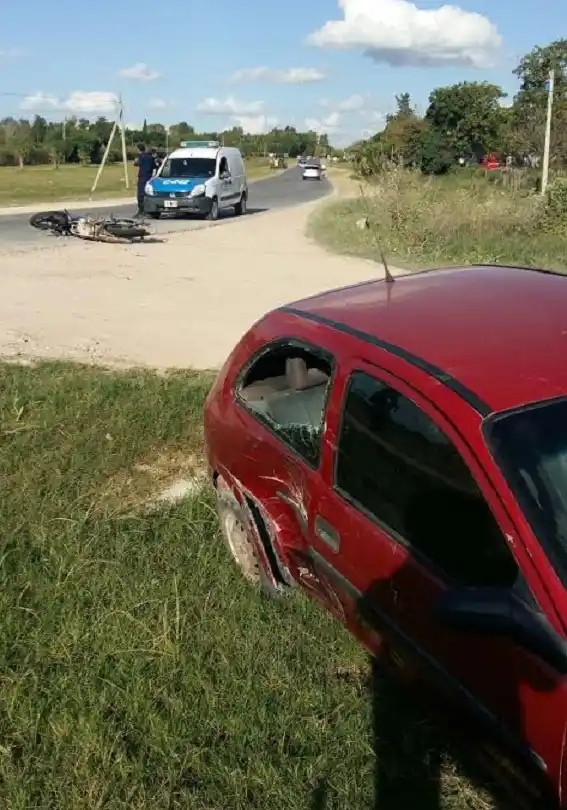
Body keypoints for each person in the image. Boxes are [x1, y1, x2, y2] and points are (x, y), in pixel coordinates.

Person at [134, 143, 157, 216]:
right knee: (147, 194)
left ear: (138, 149)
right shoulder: (151, 157)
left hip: (142, 178)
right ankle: (148, 211)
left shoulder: (140, 156)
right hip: (149, 178)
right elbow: (155, 167)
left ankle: (141, 211)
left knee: (140, 195)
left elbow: (136, 163)